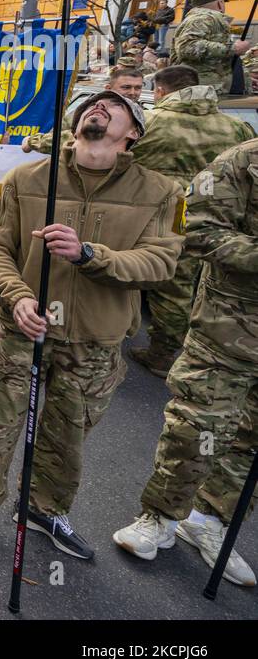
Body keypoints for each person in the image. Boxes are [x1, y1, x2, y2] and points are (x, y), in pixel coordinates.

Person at [0, 90, 183, 559]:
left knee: (67, 434)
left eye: (114, 106)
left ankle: (43, 509)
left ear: (133, 133)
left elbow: (160, 263)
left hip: (95, 341)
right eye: (91, 103)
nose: (98, 106)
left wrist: (90, 254)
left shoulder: (161, 191)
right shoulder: (26, 177)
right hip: (23, 332)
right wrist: (16, 295)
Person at [112, 137, 258, 587]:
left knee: (250, 441)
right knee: (198, 428)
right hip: (229, 330)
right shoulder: (244, 160)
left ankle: (211, 520)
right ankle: (160, 517)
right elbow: (195, 226)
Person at [126, 66, 255, 377]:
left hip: (167, 215)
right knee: (208, 284)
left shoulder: (152, 121)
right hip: (224, 223)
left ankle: (162, 353)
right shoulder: (237, 127)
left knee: (173, 287)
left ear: (159, 91)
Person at [171, 0, 250, 94]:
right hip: (201, 91)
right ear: (220, 3)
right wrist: (232, 48)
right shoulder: (202, 19)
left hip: (207, 89)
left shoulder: (206, 19)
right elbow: (187, 46)